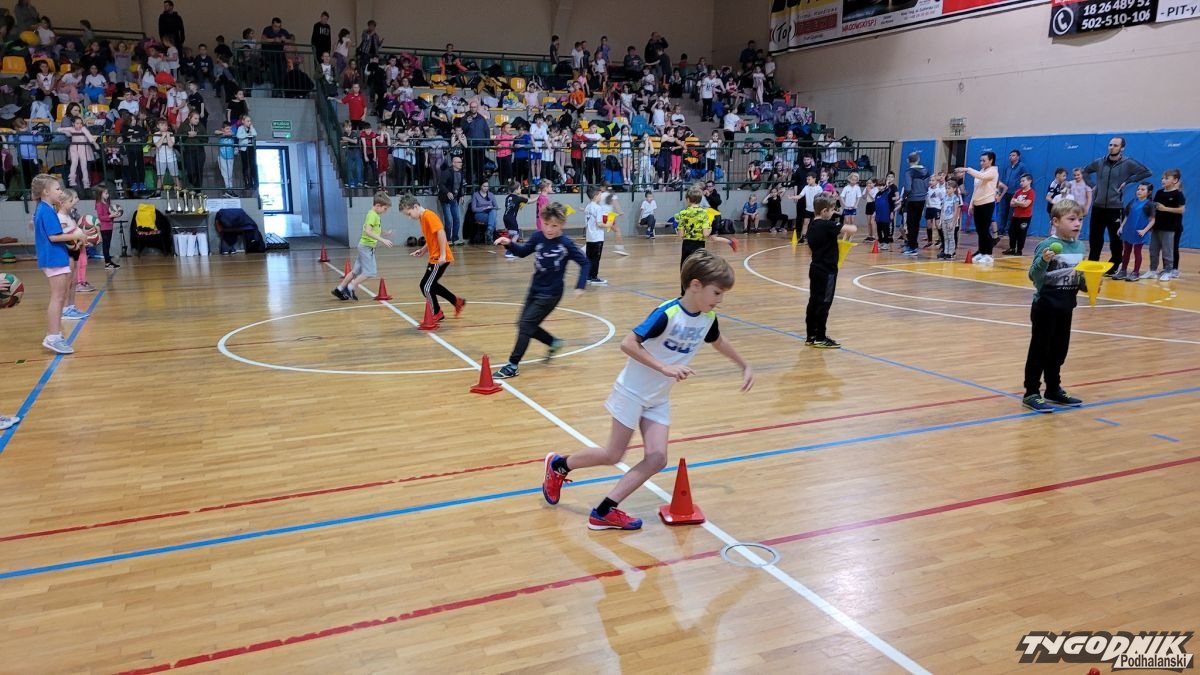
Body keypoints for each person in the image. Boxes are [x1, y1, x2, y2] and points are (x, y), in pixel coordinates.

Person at [539, 249, 753, 530]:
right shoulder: (667, 313)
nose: (720, 299)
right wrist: (665, 367)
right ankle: (559, 465)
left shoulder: (707, 318)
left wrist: (744, 365)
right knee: (613, 455)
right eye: (717, 293)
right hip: (631, 391)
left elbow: (718, 341)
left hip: (657, 398)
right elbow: (628, 343)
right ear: (695, 285)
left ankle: (604, 511)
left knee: (657, 458)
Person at [491, 202, 590, 380]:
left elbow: (585, 263)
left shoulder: (565, 243)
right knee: (524, 324)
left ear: (562, 225)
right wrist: (509, 243)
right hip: (534, 289)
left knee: (526, 325)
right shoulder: (538, 237)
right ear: (542, 221)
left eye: (554, 226)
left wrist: (580, 285)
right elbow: (522, 252)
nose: (549, 229)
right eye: (546, 224)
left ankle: (512, 365)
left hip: (551, 294)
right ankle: (553, 342)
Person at [1022, 199, 1088, 413]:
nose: (1077, 223)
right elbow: (1034, 276)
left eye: (1080, 219)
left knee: (1059, 351)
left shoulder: (1080, 246)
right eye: (1072, 219)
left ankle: (1053, 388)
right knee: (1039, 351)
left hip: (1066, 307)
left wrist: (1090, 283)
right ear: (1056, 222)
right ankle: (1031, 392)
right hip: (1045, 307)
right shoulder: (1046, 246)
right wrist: (1043, 260)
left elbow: (1079, 278)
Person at [32, 175, 87, 354]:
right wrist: (76, 235)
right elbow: (53, 237)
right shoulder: (46, 210)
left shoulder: (46, 208)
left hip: (56, 256)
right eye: (57, 189)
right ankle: (52, 336)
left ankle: (55, 335)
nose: (60, 192)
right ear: (45, 192)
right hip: (53, 258)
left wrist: (71, 242)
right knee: (57, 298)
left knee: (60, 297)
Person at [1082, 137, 1151, 275]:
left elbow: (1147, 172)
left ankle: (1114, 265)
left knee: (1116, 239)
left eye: (1115, 145)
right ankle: (1092, 263)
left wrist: (1128, 181)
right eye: (1110, 145)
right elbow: (1085, 171)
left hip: (1115, 208)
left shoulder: (1128, 163)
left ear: (1122, 148)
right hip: (1098, 207)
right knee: (1095, 238)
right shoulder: (1099, 162)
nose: (1112, 147)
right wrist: (1092, 185)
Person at [400, 195, 465, 321]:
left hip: (439, 258)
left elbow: (441, 233)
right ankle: (456, 301)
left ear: (415, 206)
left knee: (426, 286)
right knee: (431, 285)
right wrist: (423, 250)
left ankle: (436, 313)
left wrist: (443, 255)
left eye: (409, 214)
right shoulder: (422, 218)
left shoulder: (429, 216)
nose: (409, 217)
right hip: (435, 257)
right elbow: (432, 237)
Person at [805, 194, 856, 349]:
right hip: (827, 271)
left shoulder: (811, 226)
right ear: (824, 211)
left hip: (815, 268)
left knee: (814, 302)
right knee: (824, 303)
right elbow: (852, 229)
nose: (833, 213)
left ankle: (811, 335)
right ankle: (820, 337)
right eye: (832, 210)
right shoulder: (827, 225)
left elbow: (810, 250)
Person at [333, 192, 393, 300]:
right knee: (370, 272)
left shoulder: (374, 215)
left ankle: (340, 288)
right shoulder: (373, 215)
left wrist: (385, 233)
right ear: (378, 205)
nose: (385, 211)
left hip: (364, 247)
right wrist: (382, 240)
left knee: (355, 271)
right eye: (385, 209)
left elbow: (375, 230)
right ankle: (350, 287)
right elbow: (368, 231)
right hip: (367, 247)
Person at [676, 185, 738, 268]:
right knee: (698, 268)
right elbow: (705, 234)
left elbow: (681, 234)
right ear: (700, 199)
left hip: (687, 244)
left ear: (687, 199)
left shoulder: (683, 213)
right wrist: (710, 229)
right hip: (699, 245)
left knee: (686, 267)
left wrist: (679, 231)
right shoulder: (704, 213)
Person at [957, 152, 1000, 264]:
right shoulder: (981, 171)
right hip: (978, 204)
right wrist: (972, 204)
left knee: (985, 229)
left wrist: (967, 169)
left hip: (987, 203)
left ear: (991, 160)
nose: (981, 162)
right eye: (980, 160)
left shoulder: (993, 171)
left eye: (984, 160)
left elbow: (982, 177)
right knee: (980, 230)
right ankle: (981, 251)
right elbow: (976, 189)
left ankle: (988, 253)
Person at [1113, 182, 1155, 282]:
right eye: (1138, 189)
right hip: (1128, 230)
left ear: (1149, 192)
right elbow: (1127, 216)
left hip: (1139, 232)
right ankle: (1123, 271)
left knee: (1137, 252)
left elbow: (1152, 220)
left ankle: (1136, 272)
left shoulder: (1150, 205)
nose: (1139, 191)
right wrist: (1121, 227)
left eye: (1142, 189)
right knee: (1126, 252)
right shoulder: (1132, 202)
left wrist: (1144, 231)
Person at [1149, 169, 1185, 281]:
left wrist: (1165, 209)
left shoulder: (1178, 194)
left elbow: (1181, 210)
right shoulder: (1159, 192)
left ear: (1175, 180)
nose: (1163, 180)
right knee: (1154, 249)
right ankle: (1154, 270)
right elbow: (1154, 207)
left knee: (1169, 249)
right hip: (1158, 226)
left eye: (1166, 178)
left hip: (1171, 227)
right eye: (1162, 178)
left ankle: (1171, 270)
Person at [996, 149, 1030, 238]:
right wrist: (1000, 191)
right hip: (1005, 192)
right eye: (1010, 155)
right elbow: (1003, 180)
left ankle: (1008, 230)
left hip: (1015, 193)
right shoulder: (1008, 167)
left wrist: (1021, 190)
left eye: (1013, 155)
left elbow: (1026, 178)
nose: (1011, 157)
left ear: (1018, 157)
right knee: (1003, 212)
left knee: (1011, 213)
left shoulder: (1022, 166)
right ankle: (1001, 229)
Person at [901, 152, 928, 257]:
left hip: (912, 199)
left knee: (910, 224)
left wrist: (904, 197)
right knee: (916, 223)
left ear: (908, 160)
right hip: (922, 200)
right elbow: (927, 185)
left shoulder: (909, 172)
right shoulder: (926, 170)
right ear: (918, 159)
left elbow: (908, 187)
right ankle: (913, 245)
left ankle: (912, 247)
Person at [437, 155, 465, 246]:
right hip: (446, 199)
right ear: (453, 163)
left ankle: (455, 238)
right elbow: (441, 184)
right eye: (459, 162)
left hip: (454, 199)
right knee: (448, 220)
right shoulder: (447, 172)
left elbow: (460, 186)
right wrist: (447, 192)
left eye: (461, 162)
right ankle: (448, 239)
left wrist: (461, 195)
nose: (461, 164)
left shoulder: (461, 173)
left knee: (457, 219)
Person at [94, 184, 123, 270]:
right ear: (100, 194)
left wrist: (115, 215)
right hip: (104, 228)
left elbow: (109, 215)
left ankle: (109, 262)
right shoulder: (99, 204)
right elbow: (100, 217)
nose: (108, 195)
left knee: (108, 245)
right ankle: (107, 263)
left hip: (109, 227)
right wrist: (111, 216)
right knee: (106, 246)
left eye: (108, 193)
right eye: (106, 193)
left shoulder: (106, 203)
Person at [1005, 174, 1035, 256]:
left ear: (1029, 181)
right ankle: (1012, 248)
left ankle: (1019, 250)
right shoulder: (1018, 192)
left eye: (1023, 181)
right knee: (1011, 232)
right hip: (1016, 216)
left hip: (1025, 217)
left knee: (1021, 234)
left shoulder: (1031, 192)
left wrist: (1017, 202)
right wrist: (1020, 203)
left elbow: (1026, 204)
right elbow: (1011, 204)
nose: (1021, 183)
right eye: (1020, 181)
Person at [584, 188, 609, 285]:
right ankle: (594, 277)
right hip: (597, 237)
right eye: (599, 195)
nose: (600, 196)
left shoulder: (587, 207)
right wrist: (608, 224)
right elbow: (599, 224)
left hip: (589, 237)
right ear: (595, 196)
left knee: (589, 258)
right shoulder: (598, 208)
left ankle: (588, 276)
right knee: (595, 258)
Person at [939, 179, 963, 260]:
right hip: (944, 219)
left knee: (951, 236)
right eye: (946, 188)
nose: (947, 190)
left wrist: (953, 222)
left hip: (950, 219)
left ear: (954, 189)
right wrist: (941, 220)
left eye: (949, 188)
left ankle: (951, 252)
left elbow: (956, 211)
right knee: (945, 236)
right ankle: (946, 251)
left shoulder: (955, 198)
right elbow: (942, 209)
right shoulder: (945, 197)